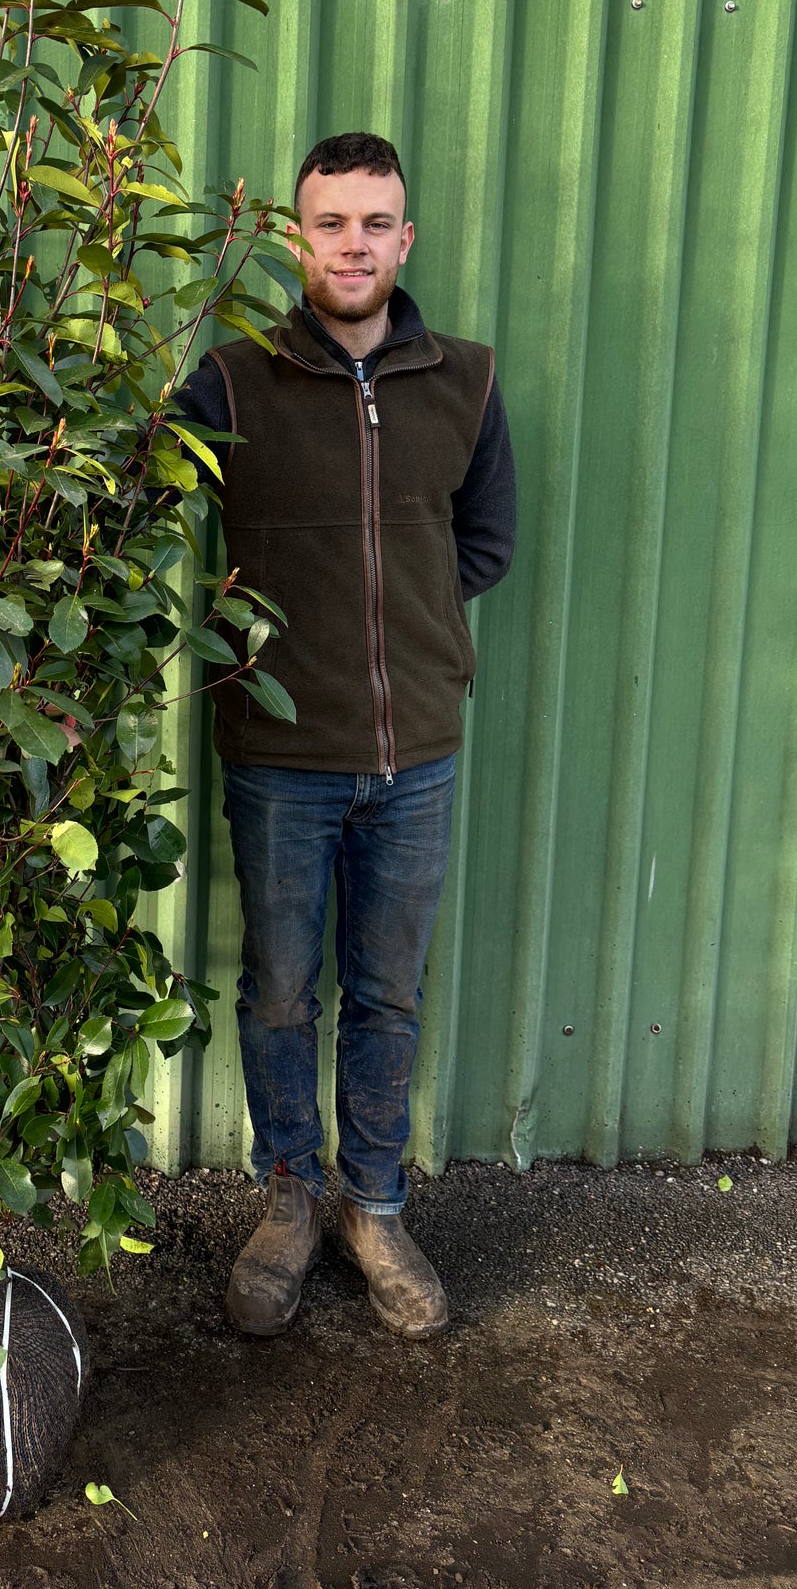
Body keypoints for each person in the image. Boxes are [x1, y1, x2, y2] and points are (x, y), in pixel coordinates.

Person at [172, 131, 515, 1339]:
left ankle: (374, 1202)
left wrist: (411, 640)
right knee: (278, 991)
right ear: (297, 237)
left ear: (404, 239)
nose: (353, 243)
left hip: (416, 753)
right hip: (280, 762)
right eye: (331, 222)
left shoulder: (465, 380)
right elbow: (140, 508)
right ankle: (289, 1197)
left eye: (376, 223)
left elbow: (483, 544)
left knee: (387, 992)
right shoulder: (229, 381)